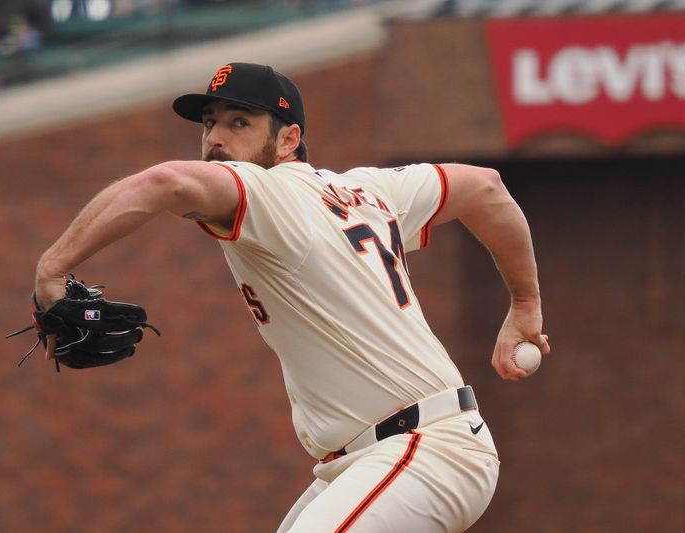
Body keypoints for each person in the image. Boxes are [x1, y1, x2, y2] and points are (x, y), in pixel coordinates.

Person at [33, 62, 551, 532]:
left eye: (240, 123)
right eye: (209, 122)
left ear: (289, 140)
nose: (215, 138)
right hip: (384, 456)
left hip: (420, 450)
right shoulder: (369, 191)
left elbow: (165, 181)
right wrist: (525, 306)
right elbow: (486, 187)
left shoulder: (267, 191)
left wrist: (53, 267)